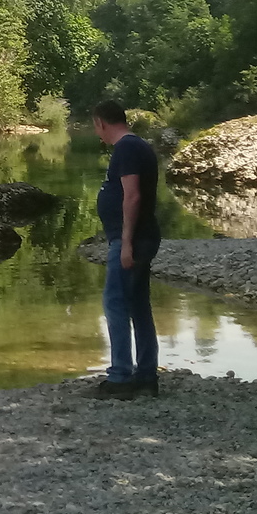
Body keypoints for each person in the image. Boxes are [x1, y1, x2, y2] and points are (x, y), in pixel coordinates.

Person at [92, 99, 160, 398]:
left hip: (131, 239)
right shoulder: (137, 146)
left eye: (97, 128)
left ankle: (120, 377)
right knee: (137, 305)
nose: (98, 135)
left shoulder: (127, 149)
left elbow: (132, 197)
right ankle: (145, 375)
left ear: (101, 123)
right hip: (140, 237)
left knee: (115, 303)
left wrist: (126, 243)